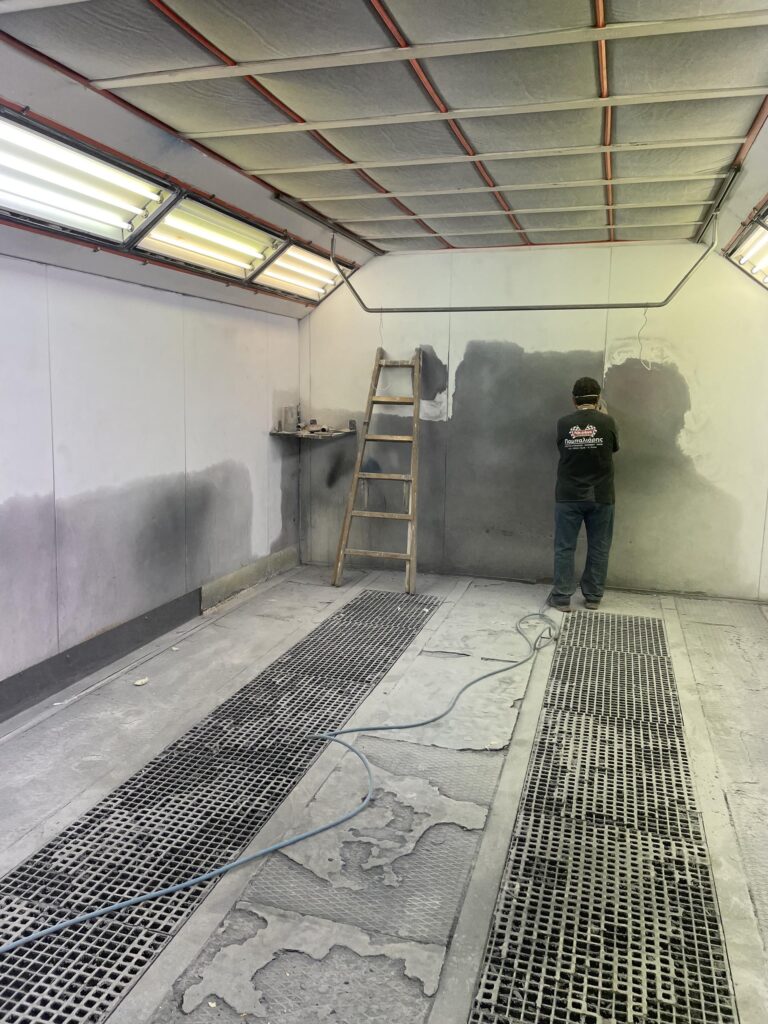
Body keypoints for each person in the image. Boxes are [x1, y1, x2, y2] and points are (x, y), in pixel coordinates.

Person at [548, 376, 619, 613]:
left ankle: (561, 598)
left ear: (573, 399)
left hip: (568, 495)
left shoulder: (563, 423)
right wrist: (603, 417)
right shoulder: (608, 422)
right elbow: (613, 448)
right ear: (598, 399)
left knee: (564, 547)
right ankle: (593, 597)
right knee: (599, 546)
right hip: (601, 495)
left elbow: (563, 448)